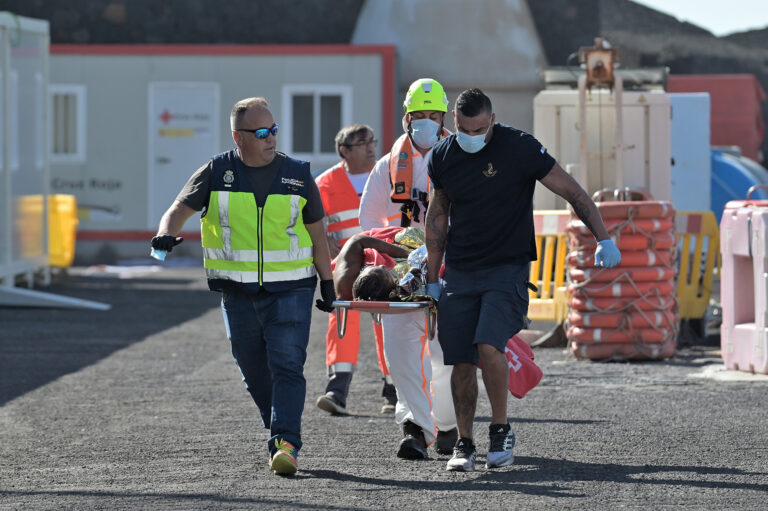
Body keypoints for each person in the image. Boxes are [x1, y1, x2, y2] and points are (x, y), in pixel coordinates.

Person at [425, 88, 622, 472]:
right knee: (460, 360)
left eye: (479, 129)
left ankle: (500, 430)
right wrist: (433, 278)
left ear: (492, 121)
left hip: (507, 267)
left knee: (488, 345)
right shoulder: (443, 156)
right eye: (464, 128)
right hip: (461, 269)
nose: (471, 136)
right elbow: (437, 216)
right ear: (453, 121)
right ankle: (464, 444)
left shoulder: (519, 148)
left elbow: (571, 191)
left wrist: (604, 237)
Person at [150, 97, 335, 477]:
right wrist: (164, 236)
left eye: (274, 130)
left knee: (287, 363)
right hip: (236, 292)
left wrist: (328, 284)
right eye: (261, 133)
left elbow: (319, 235)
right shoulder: (216, 172)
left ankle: (285, 442)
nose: (271, 138)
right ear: (238, 137)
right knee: (252, 369)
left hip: (292, 289)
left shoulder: (298, 174)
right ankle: (278, 421)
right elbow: (178, 210)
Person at [359, 78, 457, 459]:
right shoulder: (387, 167)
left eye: (434, 115)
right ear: (406, 119)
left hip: (448, 271)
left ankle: (447, 427)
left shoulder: (460, 160)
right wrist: (387, 264)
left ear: (444, 117)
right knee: (400, 354)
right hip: (401, 275)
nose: (427, 123)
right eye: (420, 116)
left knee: (445, 355)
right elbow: (367, 223)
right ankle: (414, 427)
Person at [314, 125, 396, 417]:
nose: (370, 147)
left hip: (385, 264)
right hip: (345, 266)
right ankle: (338, 387)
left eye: (372, 141)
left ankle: (394, 389)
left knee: (388, 323)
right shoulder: (324, 184)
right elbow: (313, 226)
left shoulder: (390, 176)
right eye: (362, 143)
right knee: (342, 319)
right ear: (344, 150)